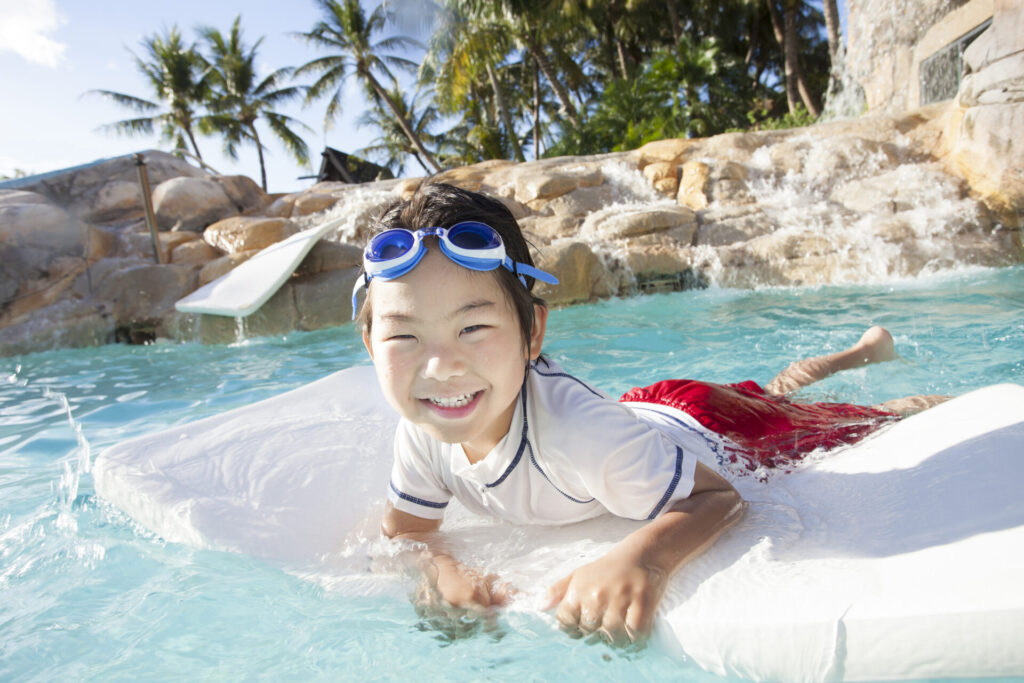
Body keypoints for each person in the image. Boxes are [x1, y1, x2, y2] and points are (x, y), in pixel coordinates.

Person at [353, 182, 945, 647]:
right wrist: (438, 568)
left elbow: (717, 498)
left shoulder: (576, 434)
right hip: (643, 410)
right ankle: (862, 350)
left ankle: (895, 388)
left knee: (841, 422)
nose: (441, 366)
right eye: (404, 336)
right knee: (774, 389)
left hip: (710, 425)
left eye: (473, 327)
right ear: (371, 344)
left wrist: (644, 558)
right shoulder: (423, 427)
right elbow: (406, 531)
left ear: (532, 330)